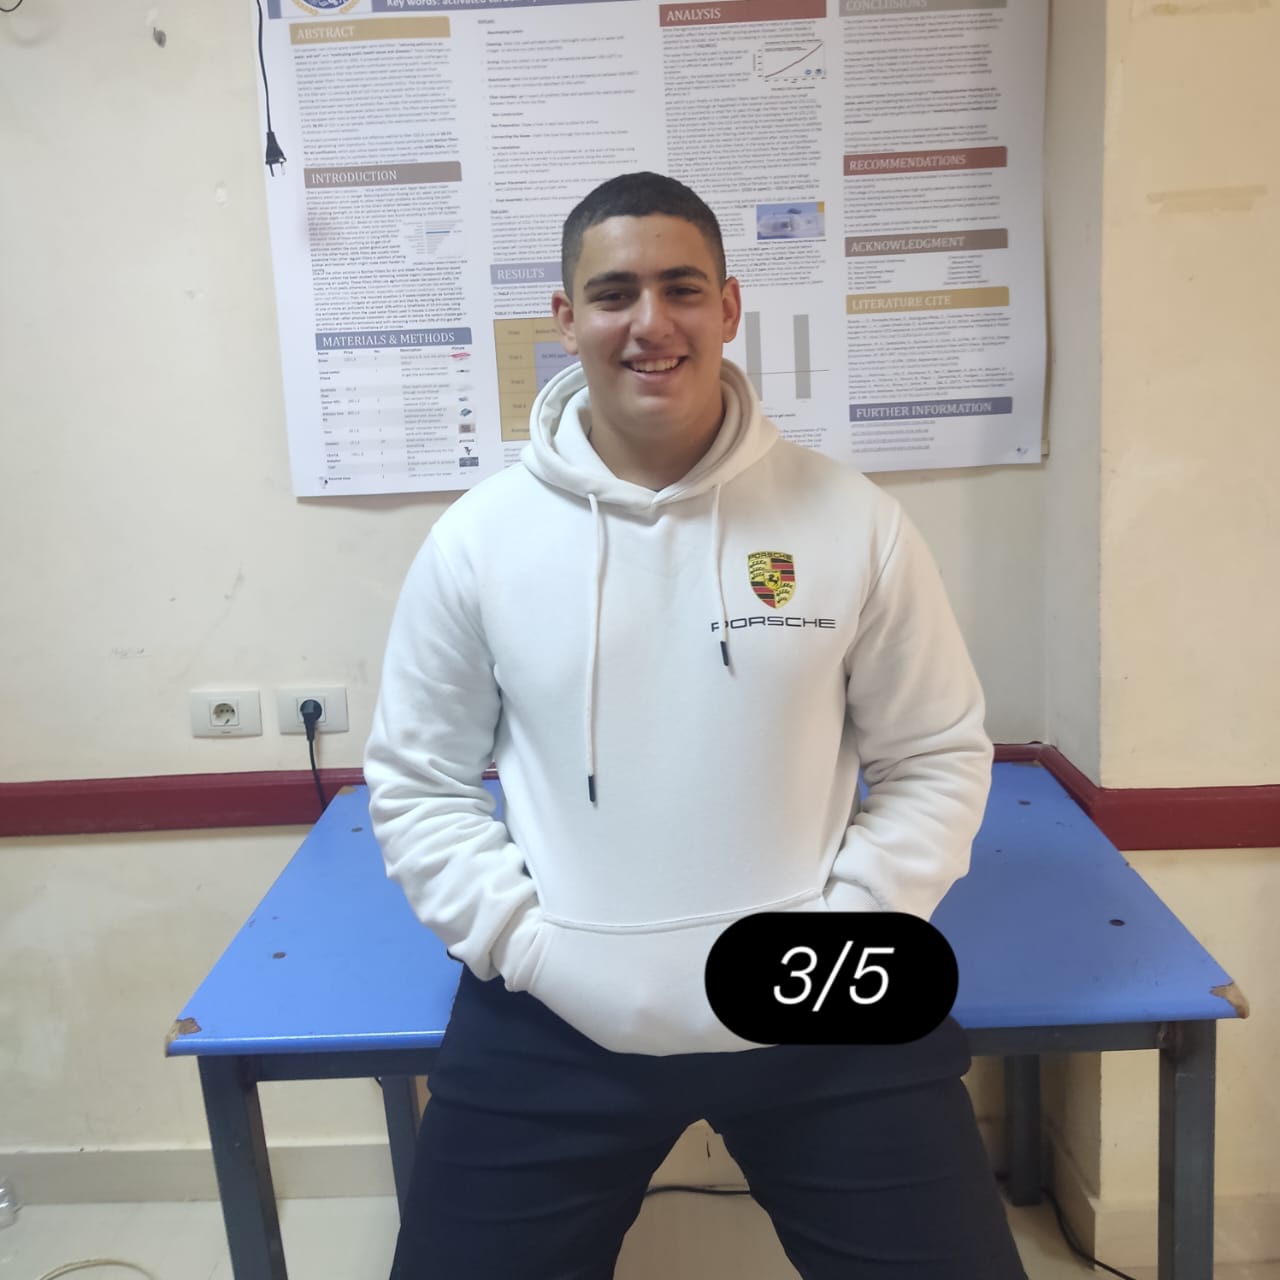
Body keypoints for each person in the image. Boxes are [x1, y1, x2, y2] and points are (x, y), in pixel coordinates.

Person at [364, 171, 1028, 1279]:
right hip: (557, 1005)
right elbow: (417, 780)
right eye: (613, 293)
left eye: (680, 289)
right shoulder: (478, 542)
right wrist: (527, 946)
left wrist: (847, 931)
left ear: (727, 307)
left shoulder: (853, 521)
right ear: (565, 318)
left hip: (821, 995)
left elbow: (935, 757)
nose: (650, 323)